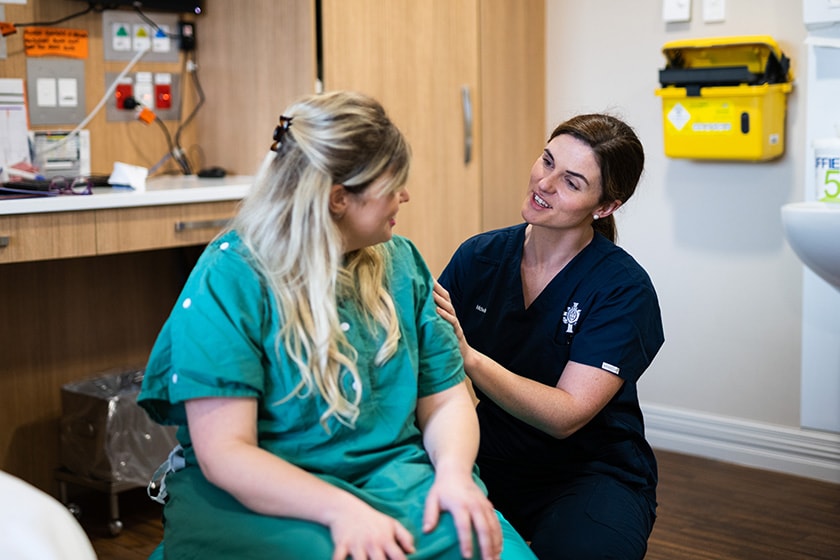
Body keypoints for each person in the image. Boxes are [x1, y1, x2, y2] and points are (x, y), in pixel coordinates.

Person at [137, 90, 536, 560]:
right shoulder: (232, 277)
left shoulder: (401, 263)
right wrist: (340, 510)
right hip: (265, 494)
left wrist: (452, 475)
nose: (405, 196)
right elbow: (226, 453)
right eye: (392, 186)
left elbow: (446, 399)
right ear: (337, 199)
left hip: (391, 475)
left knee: (491, 546)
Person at [435, 113, 665, 560]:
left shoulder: (622, 288)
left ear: (605, 207)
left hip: (590, 472)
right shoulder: (479, 256)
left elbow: (567, 415)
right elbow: (424, 353)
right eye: (546, 161)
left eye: (572, 182)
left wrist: (470, 357)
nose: (545, 183)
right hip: (490, 453)